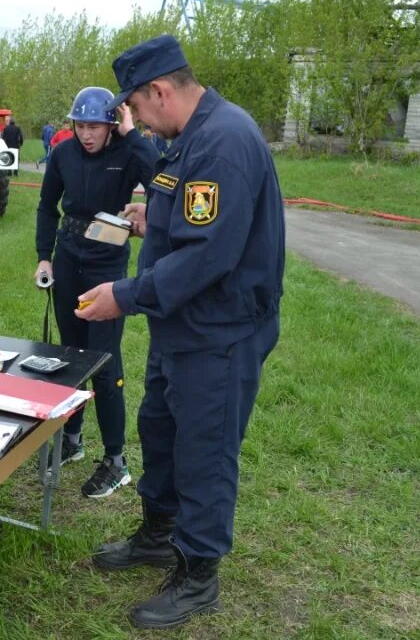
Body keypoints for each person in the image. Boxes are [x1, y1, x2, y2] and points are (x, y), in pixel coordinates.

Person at [80, 34, 285, 629]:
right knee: (162, 428)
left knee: (205, 448)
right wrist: (155, 217)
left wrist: (124, 295)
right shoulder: (191, 136)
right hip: (182, 325)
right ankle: (158, 534)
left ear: (159, 91)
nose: (135, 120)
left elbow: (208, 256)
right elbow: (199, 218)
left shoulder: (223, 141)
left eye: (134, 107)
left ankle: (198, 573)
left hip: (219, 329)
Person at [34, 87, 157, 499]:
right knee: (70, 356)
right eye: (81, 126)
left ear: (111, 125)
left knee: (104, 362)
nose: (87, 135)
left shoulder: (127, 152)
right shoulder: (63, 154)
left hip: (107, 266)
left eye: (96, 127)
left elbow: (162, 180)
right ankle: (72, 438)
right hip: (69, 259)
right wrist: (44, 257)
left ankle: (116, 461)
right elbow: (46, 206)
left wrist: (132, 133)